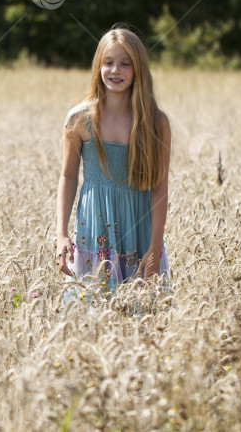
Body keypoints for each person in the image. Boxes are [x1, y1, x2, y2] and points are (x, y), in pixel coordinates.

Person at [55, 26, 172, 297]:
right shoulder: (79, 119)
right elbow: (68, 176)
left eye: (125, 64)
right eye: (108, 62)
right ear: (98, 66)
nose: (115, 70)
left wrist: (155, 247)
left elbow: (160, 187)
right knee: (90, 311)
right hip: (94, 228)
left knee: (143, 315)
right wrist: (61, 234)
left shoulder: (155, 122)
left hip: (140, 232)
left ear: (139, 69)